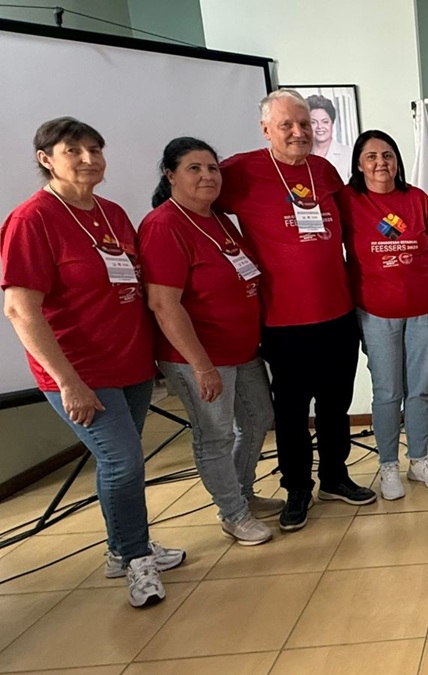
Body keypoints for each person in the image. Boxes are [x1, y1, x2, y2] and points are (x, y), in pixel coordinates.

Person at [1, 117, 184, 607]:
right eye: (74, 151)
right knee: (123, 462)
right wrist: (68, 381)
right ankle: (137, 558)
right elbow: (20, 309)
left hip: (129, 363)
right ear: (46, 159)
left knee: (117, 462)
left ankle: (120, 548)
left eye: (96, 149)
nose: (89, 159)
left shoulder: (112, 213)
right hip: (80, 371)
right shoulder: (33, 220)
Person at [217, 89, 376, 533]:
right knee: (291, 412)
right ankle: (297, 489)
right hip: (283, 321)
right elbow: (197, 201)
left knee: (335, 405)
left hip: (338, 314)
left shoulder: (323, 170)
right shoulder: (240, 171)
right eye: (286, 124)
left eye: (304, 124)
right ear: (266, 129)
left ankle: (335, 478)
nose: (298, 132)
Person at [139, 137, 279, 546]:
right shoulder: (164, 225)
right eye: (194, 168)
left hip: (242, 350)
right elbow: (163, 304)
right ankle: (233, 513)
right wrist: (201, 366)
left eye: (212, 168)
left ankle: (242, 493)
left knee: (257, 419)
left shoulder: (218, 218)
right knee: (215, 435)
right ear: (170, 175)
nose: (207, 176)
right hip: (199, 356)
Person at [336, 129, 428, 500]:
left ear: (397, 161)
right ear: (358, 164)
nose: (381, 163)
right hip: (376, 313)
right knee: (388, 391)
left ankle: (419, 460)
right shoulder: (347, 200)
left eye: (387, 155)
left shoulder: (416, 198)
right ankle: (388, 465)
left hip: (424, 309)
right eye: (371, 156)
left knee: (419, 389)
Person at [307, 94, 353, 181]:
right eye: (313, 122)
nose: (320, 126)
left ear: (332, 123)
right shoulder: (301, 155)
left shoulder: (349, 155)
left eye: (325, 122)